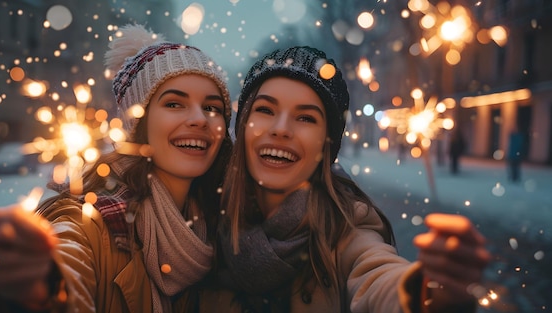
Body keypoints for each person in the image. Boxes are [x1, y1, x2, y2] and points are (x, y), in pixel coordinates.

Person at [197, 46, 490, 312]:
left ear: (327, 145)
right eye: (265, 110)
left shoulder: (347, 228)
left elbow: (378, 276)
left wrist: (431, 293)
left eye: (306, 118)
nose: (281, 129)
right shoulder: (202, 215)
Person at [0, 24, 232, 312]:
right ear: (138, 124)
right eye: (174, 104)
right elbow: (68, 260)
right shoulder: (92, 221)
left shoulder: (224, 226)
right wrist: (41, 288)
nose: (200, 119)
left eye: (212, 107)